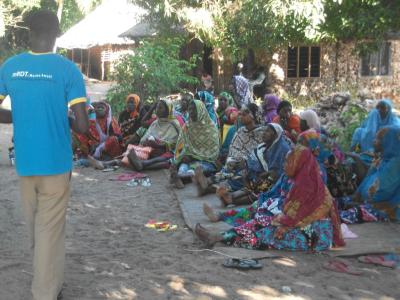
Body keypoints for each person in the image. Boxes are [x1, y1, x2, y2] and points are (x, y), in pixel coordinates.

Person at [0, 10, 89, 300]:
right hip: (56, 163)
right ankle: (45, 293)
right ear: (57, 33)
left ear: (27, 32)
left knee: (37, 229)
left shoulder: (10, 67)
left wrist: (21, 114)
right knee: (50, 230)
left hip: (25, 164)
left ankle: (51, 281)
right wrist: (62, 118)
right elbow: (84, 126)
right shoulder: (68, 70)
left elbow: (2, 112)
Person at [196, 145, 345, 251]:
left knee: (264, 232)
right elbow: (289, 210)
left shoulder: (307, 185)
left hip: (315, 234)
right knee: (261, 217)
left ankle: (219, 237)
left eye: (288, 161)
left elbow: (296, 216)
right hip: (299, 224)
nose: (284, 164)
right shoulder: (297, 177)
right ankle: (220, 234)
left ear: (298, 163)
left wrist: (277, 219)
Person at [197, 123, 291, 205]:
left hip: (279, 181)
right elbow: (255, 160)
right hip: (259, 173)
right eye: (264, 131)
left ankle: (232, 199)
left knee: (262, 186)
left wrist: (263, 174)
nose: (263, 133)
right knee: (241, 173)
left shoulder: (282, 148)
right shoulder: (264, 146)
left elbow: (279, 172)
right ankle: (228, 195)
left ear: (275, 135)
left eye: (267, 131)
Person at [349, 126, 400, 221]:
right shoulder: (383, 159)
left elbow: (384, 189)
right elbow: (367, 179)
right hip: (369, 203)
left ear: (389, 142)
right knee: (338, 204)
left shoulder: (396, 163)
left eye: (379, 139)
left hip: (385, 207)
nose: (374, 141)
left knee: (347, 214)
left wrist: (363, 203)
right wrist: (357, 195)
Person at [170, 100, 220, 188]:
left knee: (196, 169)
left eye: (194, 110)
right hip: (189, 159)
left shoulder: (210, 127)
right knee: (183, 167)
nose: (191, 112)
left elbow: (213, 152)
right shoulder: (187, 126)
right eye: (190, 109)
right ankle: (181, 175)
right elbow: (181, 145)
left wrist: (192, 156)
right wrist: (183, 156)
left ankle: (179, 177)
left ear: (201, 110)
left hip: (206, 161)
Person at [123, 99, 182, 171]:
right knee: (136, 149)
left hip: (163, 151)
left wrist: (158, 145)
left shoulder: (174, 124)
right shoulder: (155, 122)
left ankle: (142, 164)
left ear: (168, 110)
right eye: (156, 107)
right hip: (150, 150)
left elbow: (176, 144)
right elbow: (145, 137)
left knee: (167, 160)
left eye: (160, 108)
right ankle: (140, 163)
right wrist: (146, 142)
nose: (157, 110)